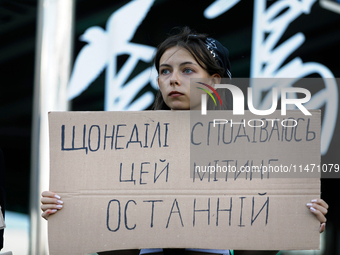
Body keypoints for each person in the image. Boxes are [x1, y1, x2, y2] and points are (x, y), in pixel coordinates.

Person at [41, 27, 328, 255]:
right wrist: (72, 211)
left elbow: (249, 248)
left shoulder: (247, 149)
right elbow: (122, 245)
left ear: (215, 82)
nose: (173, 79)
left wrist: (296, 220)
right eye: (165, 71)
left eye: (187, 70)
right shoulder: (129, 148)